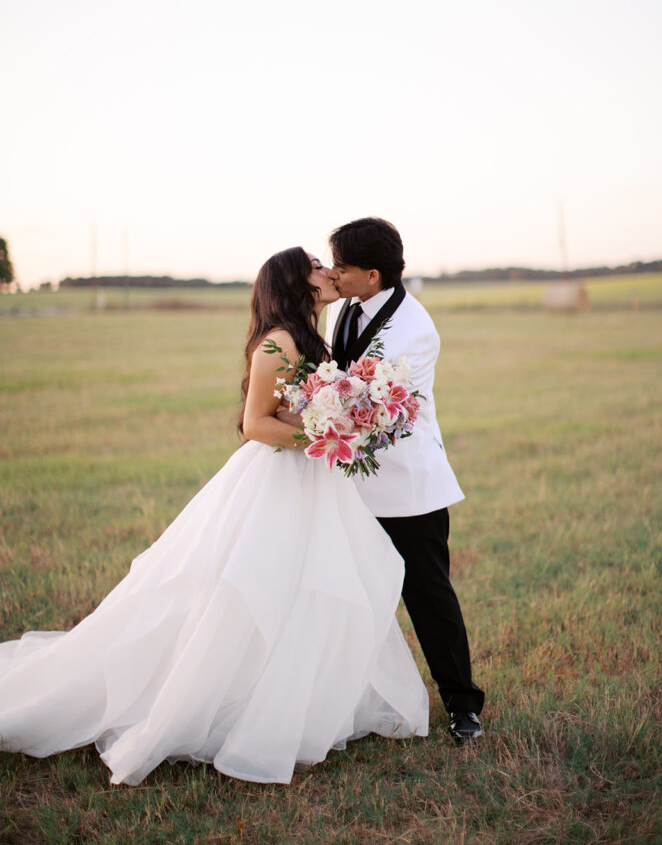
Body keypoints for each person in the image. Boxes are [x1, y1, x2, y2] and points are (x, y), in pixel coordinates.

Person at [0, 247, 428, 786]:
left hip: (314, 481)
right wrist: (322, 435)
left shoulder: (316, 336)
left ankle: (300, 698)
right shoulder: (278, 341)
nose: (326, 271)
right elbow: (256, 424)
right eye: (317, 266)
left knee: (314, 587)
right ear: (296, 282)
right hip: (277, 478)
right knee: (252, 589)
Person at [326, 217, 484, 742]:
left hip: (408, 486)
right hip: (350, 485)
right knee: (346, 593)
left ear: (372, 276)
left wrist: (325, 417)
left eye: (341, 267)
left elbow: (393, 412)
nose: (333, 273)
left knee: (428, 595)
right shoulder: (343, 311)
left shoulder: (416, 330)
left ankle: (463, 704)